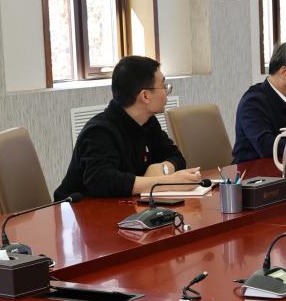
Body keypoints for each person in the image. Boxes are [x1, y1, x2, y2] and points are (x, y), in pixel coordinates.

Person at [54, 55, 200, 200]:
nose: (167, 91)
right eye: (163, 86)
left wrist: (163, 168)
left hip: (125, 205)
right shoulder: (99, 131)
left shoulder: (148, 122)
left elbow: (177, 158)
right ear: (145, 96)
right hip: (78, 210)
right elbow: (102, 181)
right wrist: (165, 182)